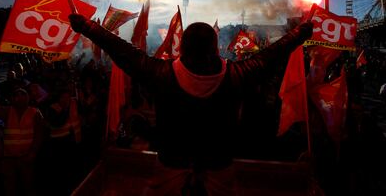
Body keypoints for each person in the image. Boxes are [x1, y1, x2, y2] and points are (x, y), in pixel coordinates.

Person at [69, 14, 313, 195]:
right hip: (220, 174)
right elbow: (272, 56)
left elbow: (121, 50)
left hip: (169, 173)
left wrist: (89, 27)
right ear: (215, 48)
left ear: (183, 47)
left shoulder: (160, 74)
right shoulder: (239, 75)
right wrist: (298, 34)